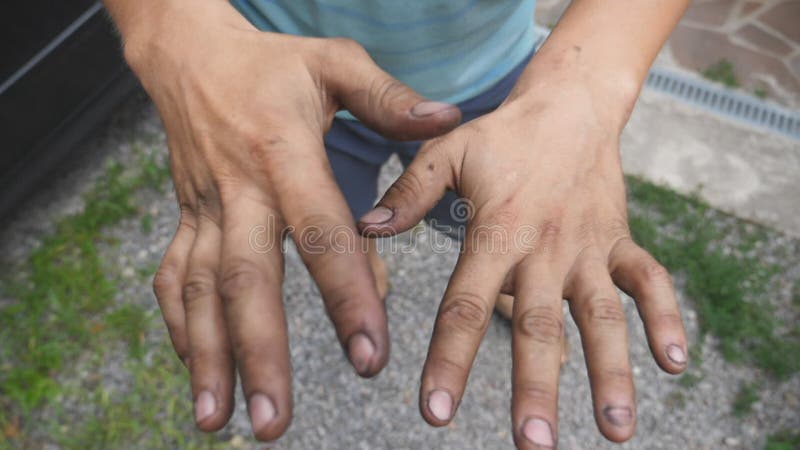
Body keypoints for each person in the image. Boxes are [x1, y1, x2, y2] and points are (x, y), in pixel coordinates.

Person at [102, 0, 690, 447]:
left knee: (498, 229)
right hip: (279, 82)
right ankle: (369, 261)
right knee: (342, 220)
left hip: (493, 86)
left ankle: (509, 290)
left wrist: (585, 87)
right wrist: (173, 30)